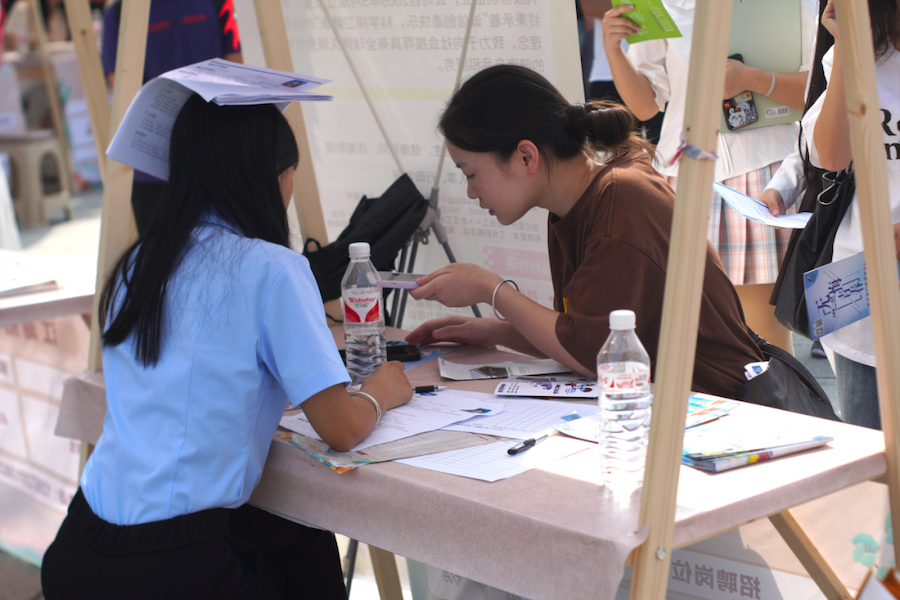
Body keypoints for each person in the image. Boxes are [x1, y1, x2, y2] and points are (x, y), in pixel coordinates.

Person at [40, 94, 413, 599]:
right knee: (307, 548)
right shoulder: (272, 268)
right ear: (275, 177)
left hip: (80, 545)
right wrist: (380, 391)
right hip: (170, 570)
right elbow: (342, 430)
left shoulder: (139, 262)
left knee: (294, 534)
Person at [405, 64, 763, 398]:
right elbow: (583, 334)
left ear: (526, 156)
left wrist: (490, 289)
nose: (471, 192)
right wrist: (498, 332)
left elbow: (594, 357)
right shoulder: (578, 201)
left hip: (721, 406)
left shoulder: (621, 199)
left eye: (471, 174)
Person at [602, 0, 819, 354]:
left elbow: (821, 93)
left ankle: (770, 393)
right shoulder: (661, 3)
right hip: (686, 176)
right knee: (690, 334)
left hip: (766, 177)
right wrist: (613, 48)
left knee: (762, 339)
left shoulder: (792, 4)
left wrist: (753, 79)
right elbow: (645, 105)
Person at [799, 0, 900, 429]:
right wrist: (844, 45)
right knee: (867, 447)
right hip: (859, 282)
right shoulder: (858, 51)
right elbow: (832, 156)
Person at [102, 0, 243, 234]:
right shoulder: (120, 12)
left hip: (186, 158)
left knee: (166, 252)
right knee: (228, 246)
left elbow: (120, 85)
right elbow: (237, 70)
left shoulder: (121, 11)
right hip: (183, 159)